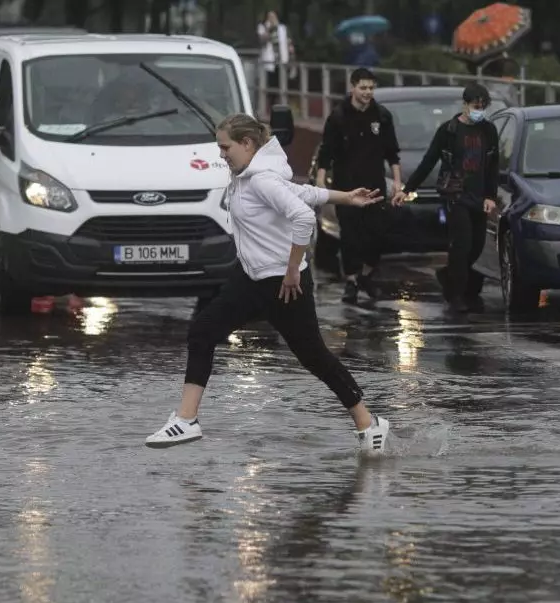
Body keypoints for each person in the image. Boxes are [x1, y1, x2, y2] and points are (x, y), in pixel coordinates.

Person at [145, 113, 392, 453]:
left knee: (314, 357)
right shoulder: (249, 176)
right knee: (202, 331)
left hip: (284, 284)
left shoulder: (261, 180)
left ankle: (368, 422)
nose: (221, 155)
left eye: (225, 147)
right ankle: (186, 419)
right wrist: (345, 197)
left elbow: (302, 216)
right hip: (250, 278)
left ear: (247, 144)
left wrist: (292, 269)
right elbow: (302, 192)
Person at [393, 83, 499, 315]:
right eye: (475, 106)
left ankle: (448, 275)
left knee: (477, 246)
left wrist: (491, 195)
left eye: (483, 107)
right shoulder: (449, 131)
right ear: (465, 105)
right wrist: (407, 189)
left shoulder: (488, 131)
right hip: (455, 195)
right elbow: (428, 161)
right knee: (461, 245)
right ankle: (457, 295)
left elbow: (493, 165)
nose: (479, 111)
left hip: (479, 196)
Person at [315, 67, 402, 304]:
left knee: (377, 235)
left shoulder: (382, 116)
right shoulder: (338, 117)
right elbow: (326, 152)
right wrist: (321, 181)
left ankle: (367, 274)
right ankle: (352, 281)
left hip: (375, 187)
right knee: (350, 236)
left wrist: (397, 183)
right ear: (352, 87)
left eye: (371, 88)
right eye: (363, 87)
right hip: (347, 188)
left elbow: (392, 153)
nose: (367, 92)